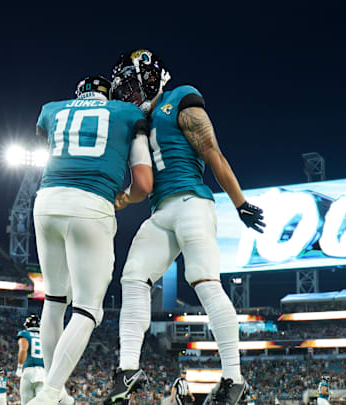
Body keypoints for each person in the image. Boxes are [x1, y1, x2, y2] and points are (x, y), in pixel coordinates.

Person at [105, 49, 265, 405]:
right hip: (160, 211)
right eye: (124, 89)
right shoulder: (138, 122)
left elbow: (212, 152)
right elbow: (139, 179)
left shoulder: (180, 99)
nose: (129, 95)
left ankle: (234, 378)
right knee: (132, 278)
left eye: (133, 86)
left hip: (193, 201)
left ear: (150, 78)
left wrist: (239, 202)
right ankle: (127, 369)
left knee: (205, 282)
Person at [30, 75, 153, 405]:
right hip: (92, 203)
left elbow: (52, 142)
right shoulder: (127, 113)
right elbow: (143, 183)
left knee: (54, 301)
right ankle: (50, 393)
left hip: (47, 200)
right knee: (86, 308)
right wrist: (125, 197)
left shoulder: (53, 109)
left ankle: (58, 392)